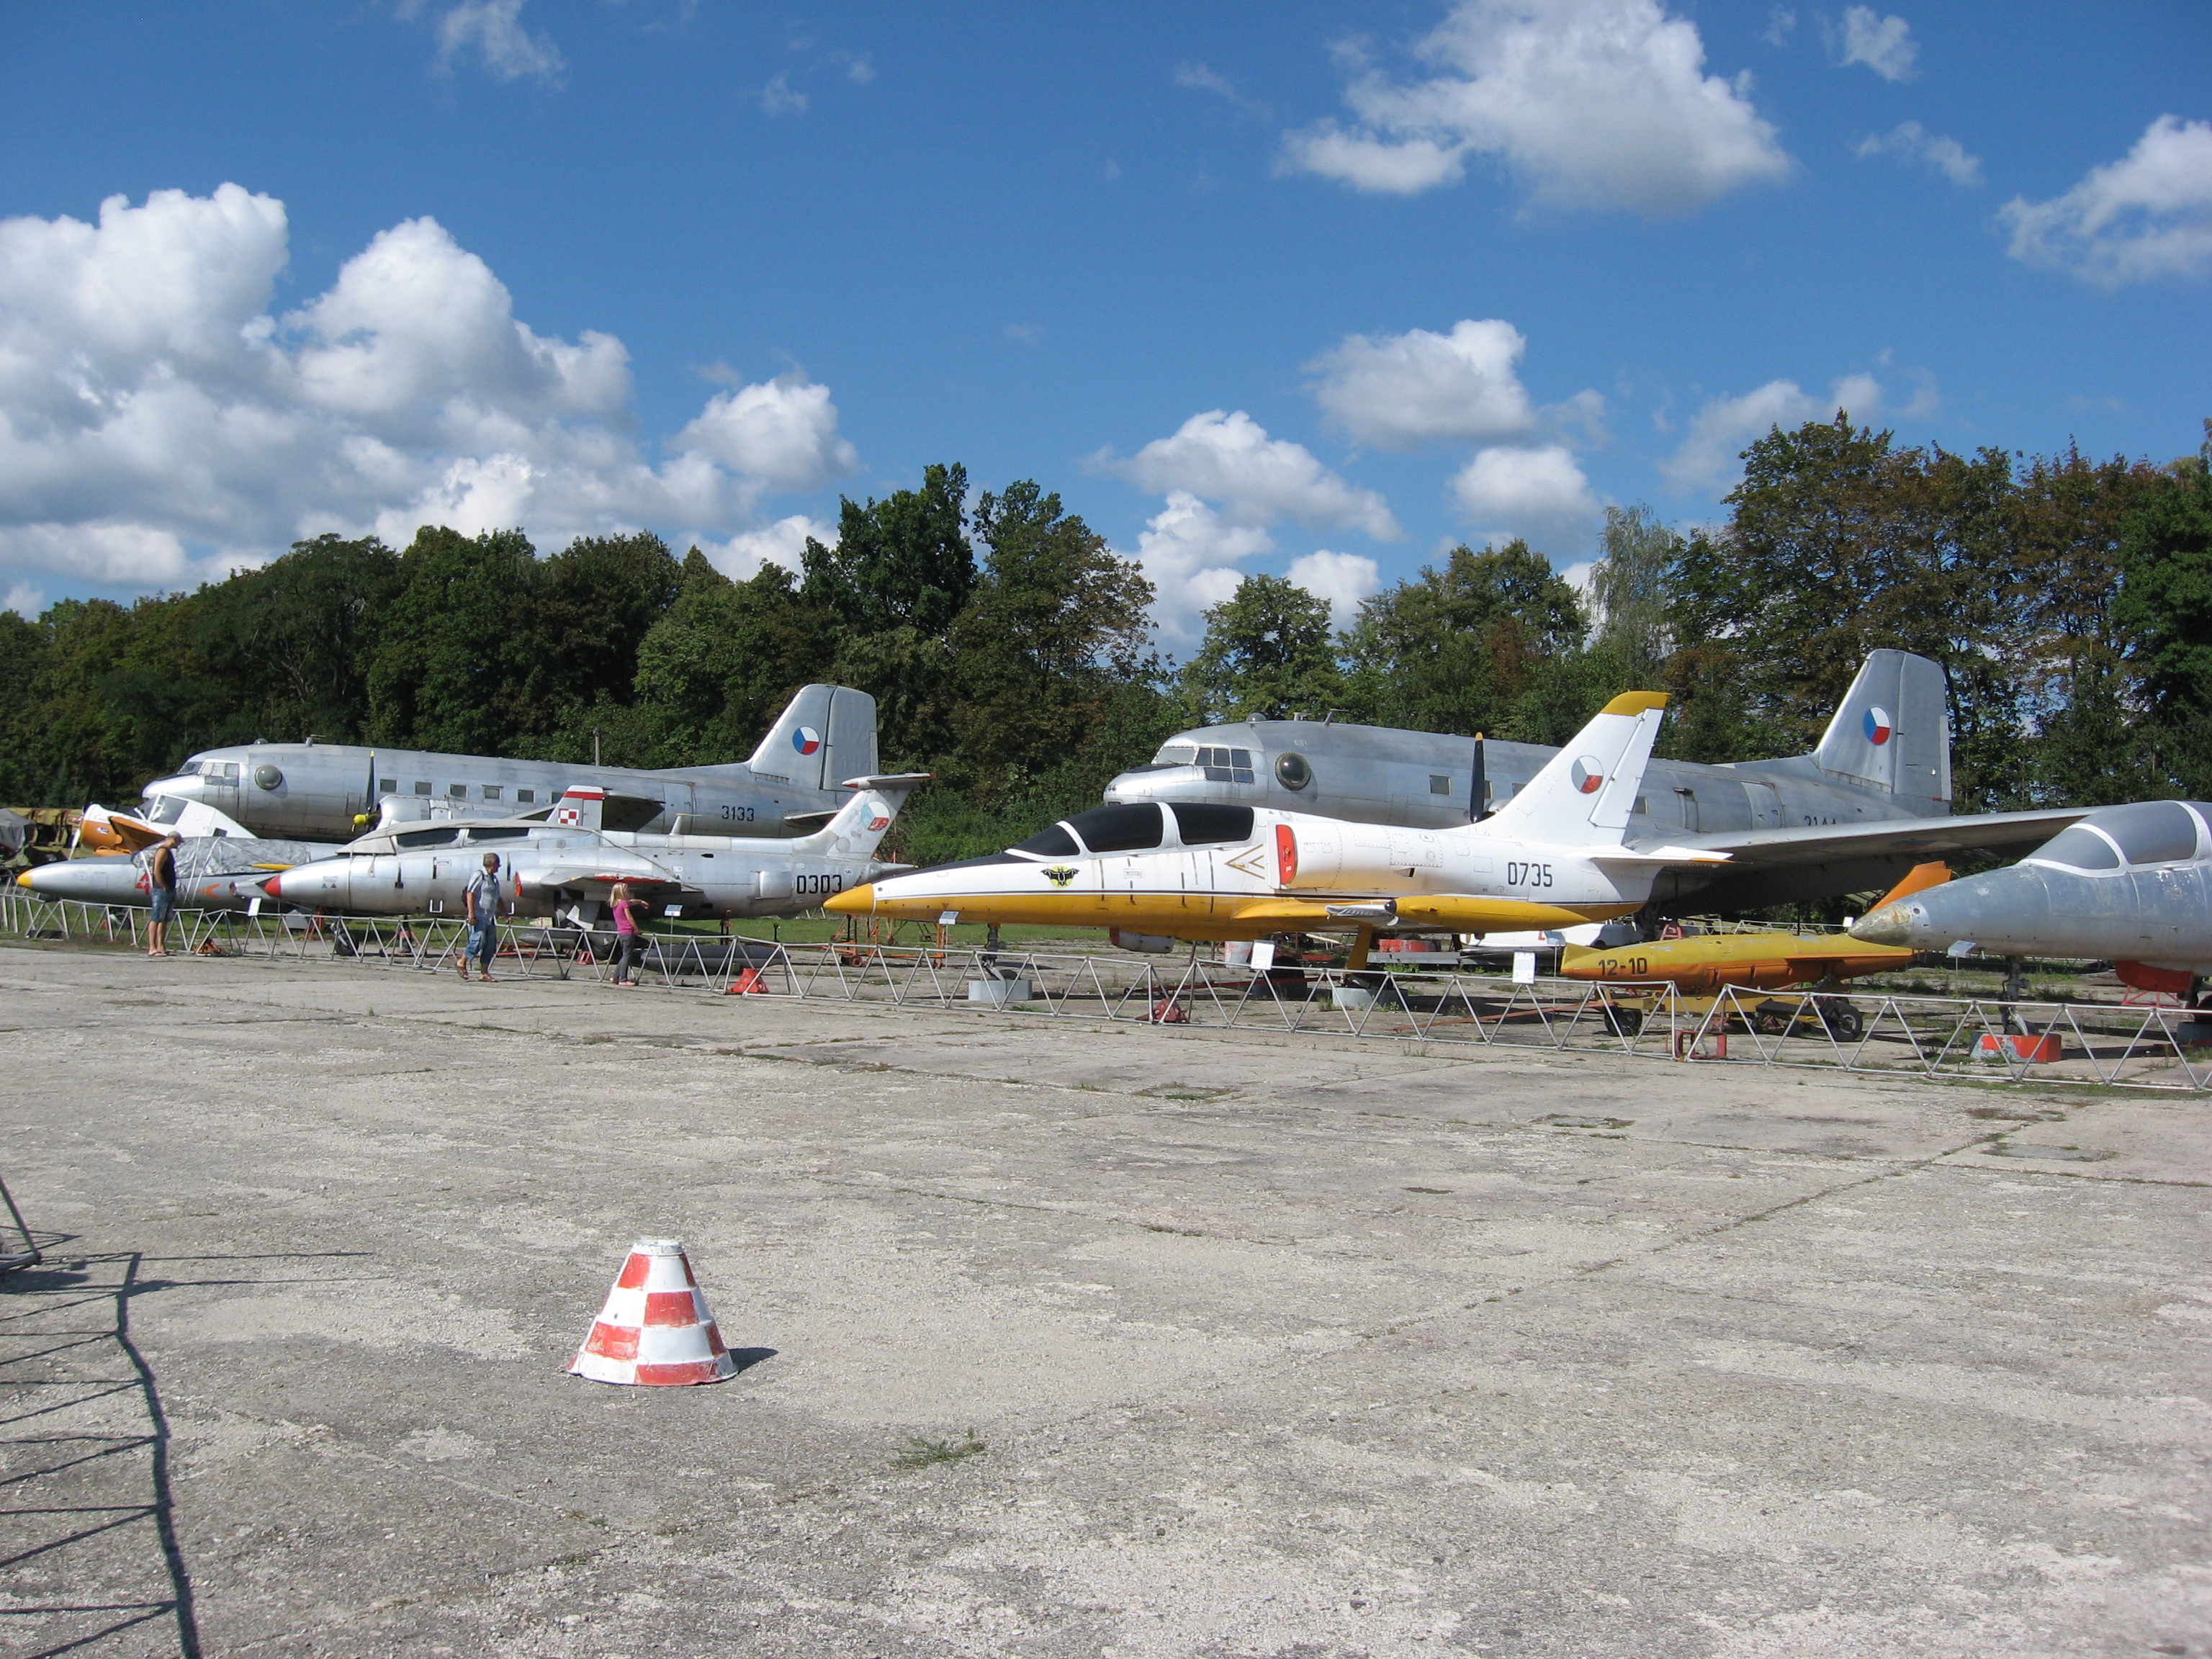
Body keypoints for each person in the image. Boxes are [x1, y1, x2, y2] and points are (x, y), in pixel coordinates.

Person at [460, 853, 503, 982]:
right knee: (478, 940)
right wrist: (471, 914)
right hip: (479, 915)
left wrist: (505, 913)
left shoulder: (494, 879)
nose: (498, 868)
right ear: (493, 864)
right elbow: (470, 893)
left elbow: (498, 898)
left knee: (490, 945)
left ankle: (484, 973)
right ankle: (462, 962)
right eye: (497, 865)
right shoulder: (479, 875)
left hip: (489, 917)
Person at [145, 832, 181, 958]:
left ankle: (161, 946)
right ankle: (152, 947)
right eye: (178, 841)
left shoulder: (168, 852)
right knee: (156, 917)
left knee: (164, 919)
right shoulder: (162, 851)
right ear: (174, 839)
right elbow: (157, 870)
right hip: (161, 890)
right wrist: (163, 885)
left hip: (169, 888)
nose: (179, 844)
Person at [608, 881, 647, 988]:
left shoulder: (616, 903)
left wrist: (640, 902)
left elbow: (631, 902)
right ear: (622, 892)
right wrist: (637, 929)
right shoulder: (624, 904)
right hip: (628, 932)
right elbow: (629, 917)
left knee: (625, 955)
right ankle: (623, 979)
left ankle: (616, 976)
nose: (629, 892)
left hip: (621, 932)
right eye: (627, 891)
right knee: (627, 956)